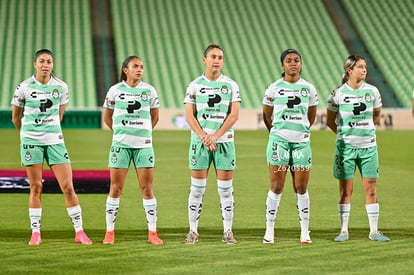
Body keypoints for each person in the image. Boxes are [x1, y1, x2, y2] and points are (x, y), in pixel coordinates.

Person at [10, 49, 92, 245]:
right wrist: (27, 135)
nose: (45, 65)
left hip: (55, 141)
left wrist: (49, 131)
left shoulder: (61, 87)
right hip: (31, 141)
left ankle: (80, 232)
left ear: (52, 65)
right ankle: (36, 233)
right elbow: (15, 117)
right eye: (41, 61)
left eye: (48, 61)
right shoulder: (24, 87)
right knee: (35, 187)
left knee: (68, 187)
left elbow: (60, 115)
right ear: (35, 64)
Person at [326, 55, 390, 242]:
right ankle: (344, 231)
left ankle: (374, 231)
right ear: (349, 70)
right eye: (360, 67)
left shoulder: (372, 92)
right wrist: (345, 135)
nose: (364, 70)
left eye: (365, 67)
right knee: (346, 191)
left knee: (371, 190)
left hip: (369, 148)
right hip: (345, 149)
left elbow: (376, 116)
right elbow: (331, 121)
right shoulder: (337, 93)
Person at [183, 44, 241, 244]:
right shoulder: (194, 85)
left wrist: (215, 136)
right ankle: (193, 231)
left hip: (224, 142)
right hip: (200, 143)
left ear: (223, 62)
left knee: (226, 190)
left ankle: (227, 231)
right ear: (204, 60)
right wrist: (204, 136)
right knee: (197, 189)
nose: (216, 60)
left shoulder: (231, 85)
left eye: (220, 57)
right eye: (213, 56)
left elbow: (234, 115)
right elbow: (189, 116)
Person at [102, 56, 163, 245]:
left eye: (142, 67)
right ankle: (109, 232)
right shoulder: (115, 90)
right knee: (115, 188)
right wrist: (121, 133)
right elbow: (107, 117)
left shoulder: (149, 90)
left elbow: (155, 117)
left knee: (147, 189)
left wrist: (142, 134)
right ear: (125, 70)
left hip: (143, 146)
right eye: (135, 66)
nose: (139, 69)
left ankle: (152, 233)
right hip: (120, 145)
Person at [262, 49, 318, 245]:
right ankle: (269, 230)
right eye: (288, 61)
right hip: (279, 142)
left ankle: (304, 231)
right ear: (282, 65)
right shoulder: (274, 88)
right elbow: (267, 116)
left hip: (301, 143)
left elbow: (311, 116)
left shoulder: (309, 89)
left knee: (301, 187)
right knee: (277, 186)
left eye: (296, 60)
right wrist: (278, 133)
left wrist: (299, 131)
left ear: (301, 64)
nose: (293, 63)